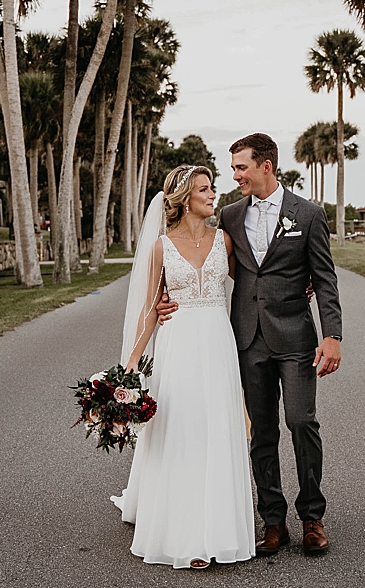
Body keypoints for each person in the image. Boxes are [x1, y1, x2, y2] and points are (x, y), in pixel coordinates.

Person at [157, 132, 343, 556]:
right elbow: (203, 255)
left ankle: (312, 516)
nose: (234, 175)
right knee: (261, 432)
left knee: (300, 422)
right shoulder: (230, 215)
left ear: (266, 166)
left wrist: (332, 335)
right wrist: (169, 297)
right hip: (246, 338)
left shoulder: (308, 215)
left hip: (296, 337)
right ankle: (272, 520)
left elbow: (325, 279)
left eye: (241, 167)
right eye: (233, 168)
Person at [111, 165, 255, 569]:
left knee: (216, 429)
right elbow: (148, 309)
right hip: (178, 344)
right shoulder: (161, 247)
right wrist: (129, 365)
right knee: (183, 430)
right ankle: (185, 534)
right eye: (205, 190)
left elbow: (256, 280)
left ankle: (221, 527)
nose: (213, 195)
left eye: (212, 188)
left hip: (217, 342)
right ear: (183, 199)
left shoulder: (224, 240)